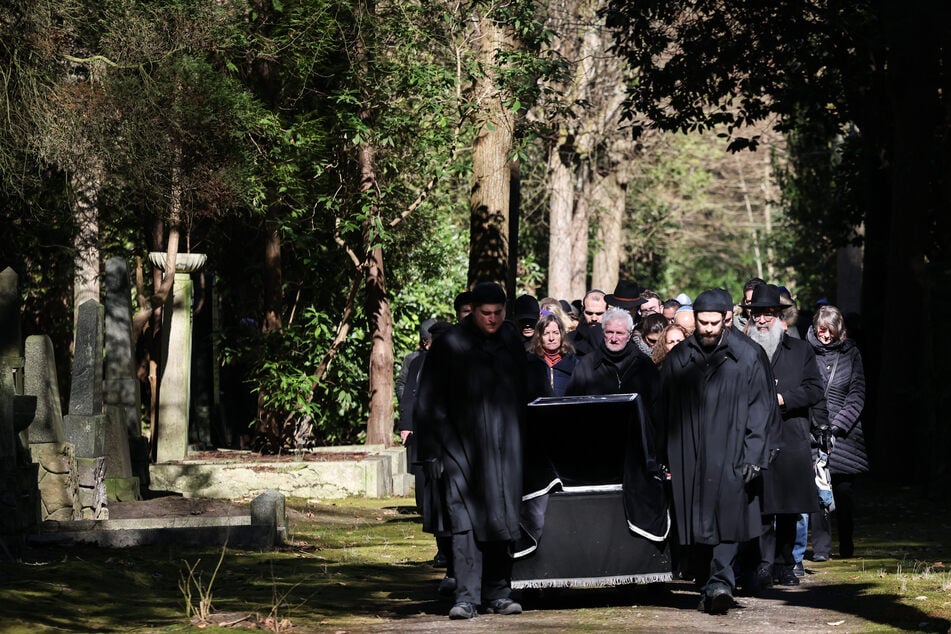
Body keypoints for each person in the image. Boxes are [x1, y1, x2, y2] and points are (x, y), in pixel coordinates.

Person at [655, 289, 778, 615]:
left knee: (728, 517)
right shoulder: (680, 358)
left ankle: (721, 582)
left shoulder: (747, 356)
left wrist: (754, 454)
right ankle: (707, 582)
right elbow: (662, 406)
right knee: (695, 521)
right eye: (702, 322)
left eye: (713, 322)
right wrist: (661, 452)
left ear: (725, 319)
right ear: (694, 320)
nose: (708, 328)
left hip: (732, 451)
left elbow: (760, 409)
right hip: (689, 452)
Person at [414, 282, 529, 619]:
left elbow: (523, 393)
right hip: (459, 449)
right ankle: (465, 597)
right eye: (485, 313)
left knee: (503, 518)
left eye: (498, 313)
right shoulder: (450, 345)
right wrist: (431, 452)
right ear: (473, 311)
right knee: (464, 521)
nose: (492, 320)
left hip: (505, 448)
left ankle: (498, 592)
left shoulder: (510, 342)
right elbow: (429, 400)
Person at [740, 284, 822, 589]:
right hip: (755, 439)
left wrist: (783, 399)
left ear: (778, 316)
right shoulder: (742, 350)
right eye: (757, 314)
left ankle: (787, 564)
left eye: (768, 314)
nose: (761, 320)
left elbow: (815, 389)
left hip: (791, 437)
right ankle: (762, 563)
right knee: (759, 507)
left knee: (788, 508)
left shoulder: (801, 351)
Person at [806, 304, 867, 561]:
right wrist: (817, 425)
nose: (825, 336)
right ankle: (821, 549)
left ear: (838, 330)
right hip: (814, 431)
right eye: (821, 331)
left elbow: (857, 394)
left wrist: (838, 425)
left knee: (843, 493)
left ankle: (846, 541)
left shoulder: (852, 353)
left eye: (830, 331)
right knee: (818, 490)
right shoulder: (805, 352)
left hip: (845, 435)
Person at [565, 307, 659, 406]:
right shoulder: (587, 365)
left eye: (619, 333)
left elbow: (656, 405)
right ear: (603, 333)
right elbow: (572, 403)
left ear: (629, 335)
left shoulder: (644, 364)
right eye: (609, 332)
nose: (614, 338)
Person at [527, 312, 579, 397]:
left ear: (562, 335)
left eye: (555, 333)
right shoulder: (530, 364)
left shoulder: (574, 364)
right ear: (539, 336)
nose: (551, 338)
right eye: (546, 333)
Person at [568, 289, 607, 357]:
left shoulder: (616, 339)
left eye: (599, 314)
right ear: (583, 310)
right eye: (589, 313)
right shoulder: (569, 339)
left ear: (607, 312)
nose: (594, 318)